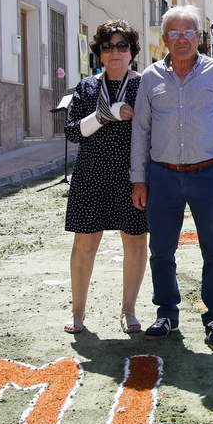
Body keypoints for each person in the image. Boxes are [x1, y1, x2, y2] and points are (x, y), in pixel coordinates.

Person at [130, 4, 213, 350]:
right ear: (164, 38)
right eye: (175, 33)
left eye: (189, 32)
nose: (182, 39)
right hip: (162, 177)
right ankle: (166, 313)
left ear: (199, 37)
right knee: (161, 249)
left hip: (208, 174)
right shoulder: (150, 78)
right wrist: (139, 179)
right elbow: (141, 131)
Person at [62, 20, 149, 334]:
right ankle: (77, 313)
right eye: (108, 46)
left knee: (136, 243)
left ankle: (128, 310)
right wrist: (104, 115)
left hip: (132, 178)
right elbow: (72, 131)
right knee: (84, 243)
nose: (115, 51)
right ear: (99, 53)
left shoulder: (144, 85)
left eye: (122, 46)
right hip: (91, 176)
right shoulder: (87, 87)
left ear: (131, 53)